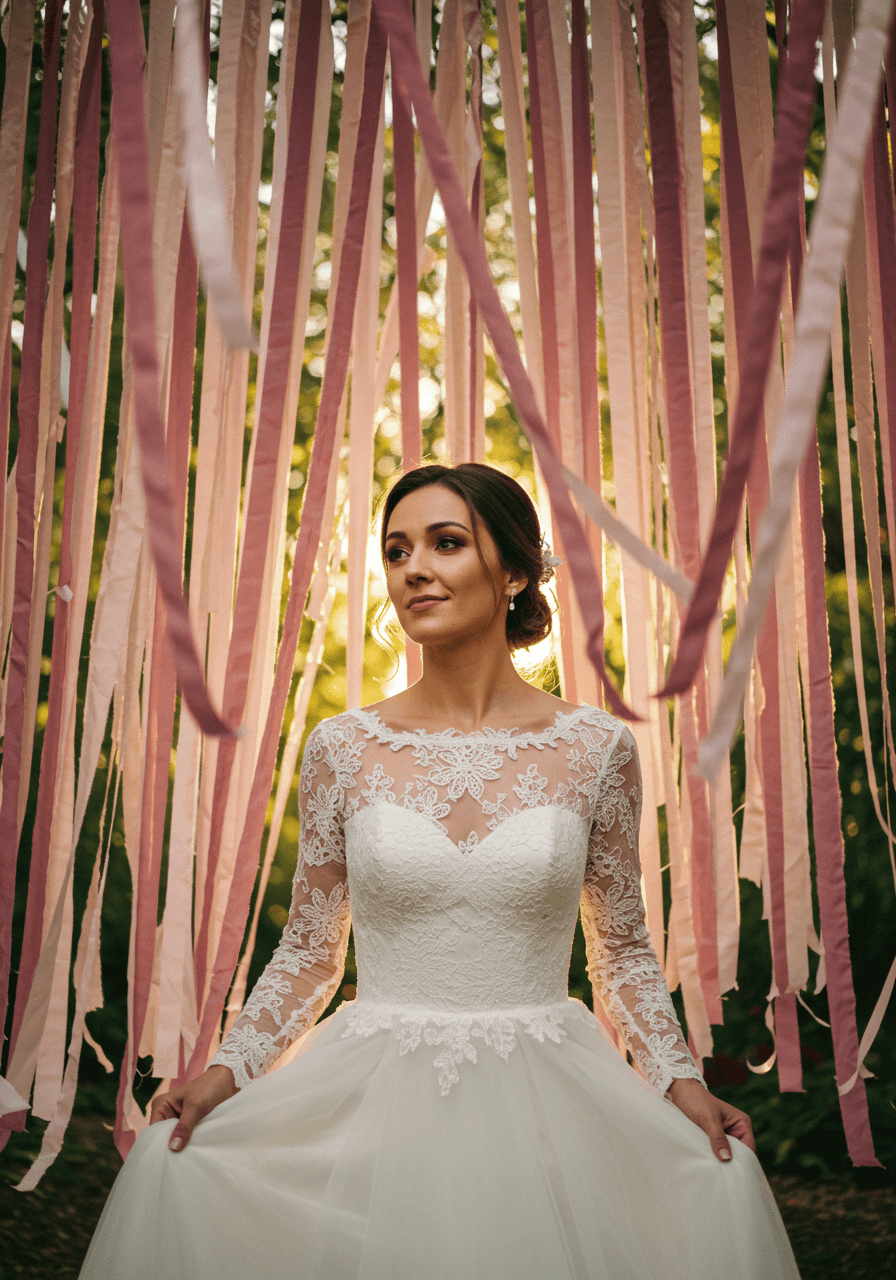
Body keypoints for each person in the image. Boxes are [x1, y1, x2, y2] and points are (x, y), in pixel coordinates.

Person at [80, 462, 800, 1279]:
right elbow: (312, 954)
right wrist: (224, 1073)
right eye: (396, 551)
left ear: (517, 571)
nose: (413, 567)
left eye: (446, 543)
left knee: (709, 1191)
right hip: (373, 1083)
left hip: (546, 1092)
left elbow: (623, 953)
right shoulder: (341, 749)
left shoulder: (597, 749)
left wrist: (680, 1084)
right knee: (180, 1168)